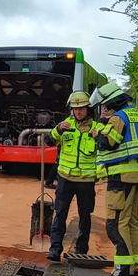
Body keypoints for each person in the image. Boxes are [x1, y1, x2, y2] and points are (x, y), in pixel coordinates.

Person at [90, 82, 138, 276]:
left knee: (115, 224)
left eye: (106, 105)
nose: (104, 109)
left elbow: (109, 143)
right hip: (137, 174)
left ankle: (122, 273)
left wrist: (98, 133)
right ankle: (132, 270)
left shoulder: (117, 118)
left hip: (120, 175)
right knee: (130, 223)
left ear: (114, 101)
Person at [45, 91, 106, 261]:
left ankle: (81, 249)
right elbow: (49, 141)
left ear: (88, 108)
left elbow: (105, 148)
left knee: (85, 216)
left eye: (81, 108)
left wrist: (99, 137)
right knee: (60, 214)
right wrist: (58, 130)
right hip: (65, 179)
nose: (78, 112)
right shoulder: (65, 125)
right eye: (75, 108)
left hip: (86, 181)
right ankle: (55, 249)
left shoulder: (97, 128)